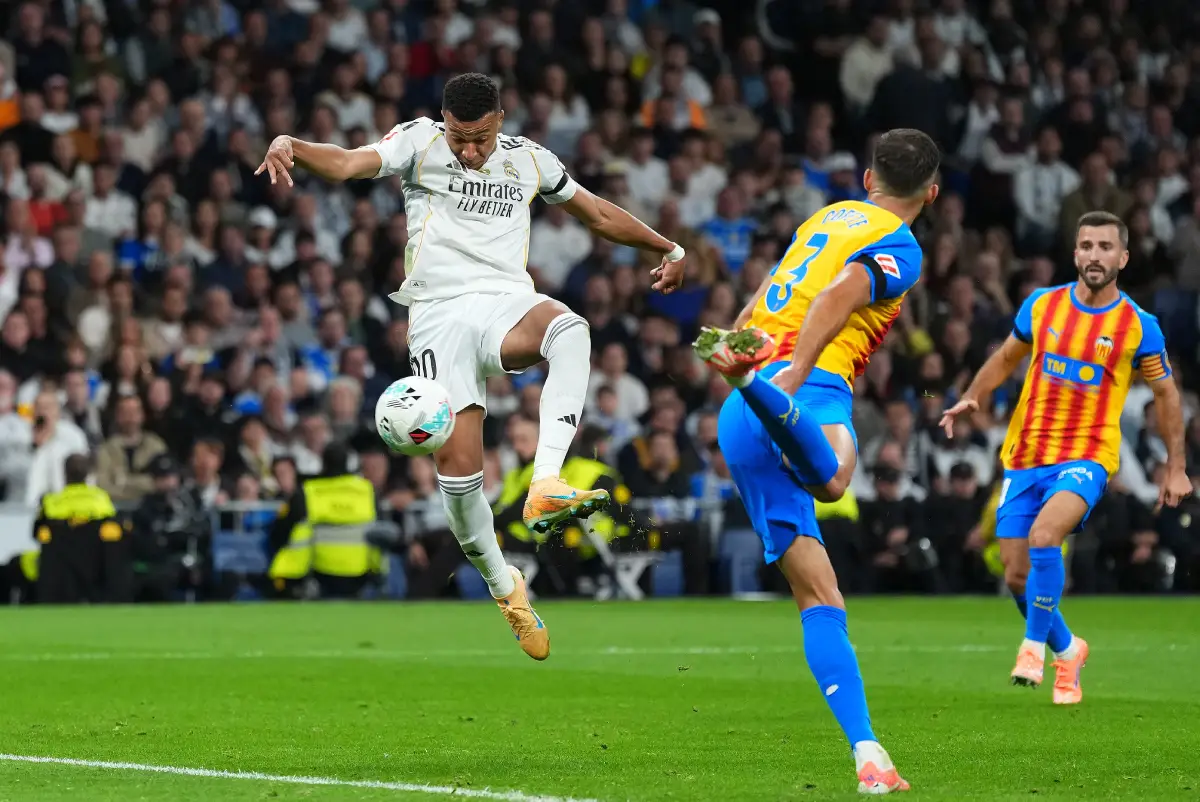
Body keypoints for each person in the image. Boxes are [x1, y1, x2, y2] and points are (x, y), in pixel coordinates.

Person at [256, 72, 686, 660]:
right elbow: (350, 163)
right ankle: (504, 586)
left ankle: (545, 483)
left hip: (507, 302)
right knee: (461, 484)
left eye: (479, 137)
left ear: (500, 120)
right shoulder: (418, 143)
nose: (468, 150)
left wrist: (667, 247)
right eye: (459, 136)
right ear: (444, 121)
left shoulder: (530, 161)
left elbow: (597, 213)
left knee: (571, 330)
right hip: (438, 316)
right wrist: (294, 145)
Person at [692, 128, 943, 793]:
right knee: (834, 477)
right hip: (804, 392)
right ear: (932, 192)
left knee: (820, 595)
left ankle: (869, 753)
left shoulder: (825, 218)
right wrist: (789, 379)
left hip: (744, 414)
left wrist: (738, 359)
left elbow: (763, 296)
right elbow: (837, 298)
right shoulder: (902, 244)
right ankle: (758, 388)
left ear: (867, 179)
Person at [939, 211, 1193, 704]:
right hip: (1027, 454)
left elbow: (1167, 395)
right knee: (1014, 573)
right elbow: (1009, 355)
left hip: (1087, 456)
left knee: (1044, 535)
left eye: (1104, 247)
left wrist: (1176, 465)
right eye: (1086, 246)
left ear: (1123, 257)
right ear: (1075, 253)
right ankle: (1068, 649)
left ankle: (1033, 648)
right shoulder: (1041, 306)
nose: (1094, 255)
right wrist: (974, 393)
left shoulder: (1139, 327)